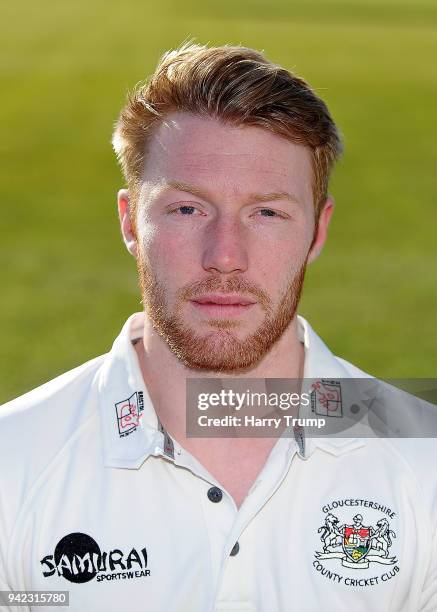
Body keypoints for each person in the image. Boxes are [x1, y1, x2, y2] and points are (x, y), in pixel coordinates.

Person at [0, 43, 435, 612]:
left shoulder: (425, 462)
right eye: (187, 209)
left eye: (268, 213)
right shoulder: (13, 461)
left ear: (317, 230)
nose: (226, 256)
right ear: (131, 221)